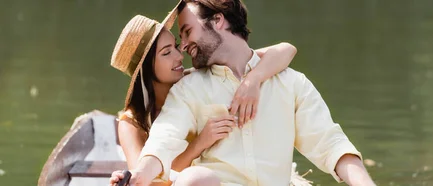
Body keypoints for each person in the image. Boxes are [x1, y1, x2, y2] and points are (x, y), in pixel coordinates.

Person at [128, 0, 376, 185]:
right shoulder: (188, 89)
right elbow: (164, 140)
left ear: (218, 20)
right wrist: (138, 176)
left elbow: (331, 144)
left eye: (188, 32)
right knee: (194, 179)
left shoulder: (290, 83)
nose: (183, 46)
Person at [107, 13, 297, 185]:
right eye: (166, 53)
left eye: (175, 46)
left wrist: (253, 81)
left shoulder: (197, 81)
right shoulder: (132, 122)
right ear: (147, 69)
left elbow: (286, 50)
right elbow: (145, 180)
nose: (179, 56)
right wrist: (201, 142)